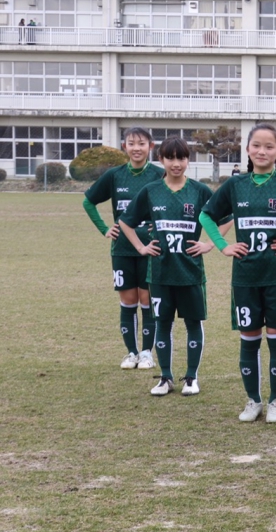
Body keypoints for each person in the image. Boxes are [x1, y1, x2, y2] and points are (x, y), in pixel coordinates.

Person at [200, 123, 276, 423]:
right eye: (257, 145)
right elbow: (206, 214)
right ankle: (253, 400)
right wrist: (222, 246)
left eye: (269, 147)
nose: (262, 151)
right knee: (249, 340)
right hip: (245, 277)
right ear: (248, 150)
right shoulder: (235, 185)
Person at [118, 136, 217, 397]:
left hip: (190, 272)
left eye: (182, 157)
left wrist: (209, 244)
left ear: (188, 160)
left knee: (193, 323)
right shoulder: (151, 191)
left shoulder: (199, 191)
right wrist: (141, 247)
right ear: (161, 159)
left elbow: (225, 216)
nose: (176, 163)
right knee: (162, 323)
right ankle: (165, 378)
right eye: (170, 158)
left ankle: (192, 378)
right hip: (160, 273)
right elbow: (126, 222)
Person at [83, 127, 165, 370]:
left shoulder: (160, 175)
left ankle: (147, 352)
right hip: (122, 248)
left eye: (141, 143)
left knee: (147, 300)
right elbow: (88, 201)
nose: (136, 148)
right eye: (131, 143)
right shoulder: (114, 175)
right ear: (124, 147)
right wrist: (105, 228)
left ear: (151, 146)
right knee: (128, 301)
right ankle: (131, 352)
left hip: (151, 248)